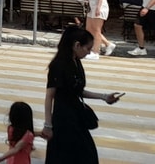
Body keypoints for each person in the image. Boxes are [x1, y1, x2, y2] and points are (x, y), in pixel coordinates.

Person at [41, 26, 124, 163]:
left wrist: (104, 97)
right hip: (63, 120)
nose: (89, 52)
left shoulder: (76, 62)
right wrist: (48, 125)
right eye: (88, 48)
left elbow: (78, 91)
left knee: (86, 155)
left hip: (76, 115)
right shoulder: (58, 65)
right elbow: (49, 96)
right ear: (77, 45)